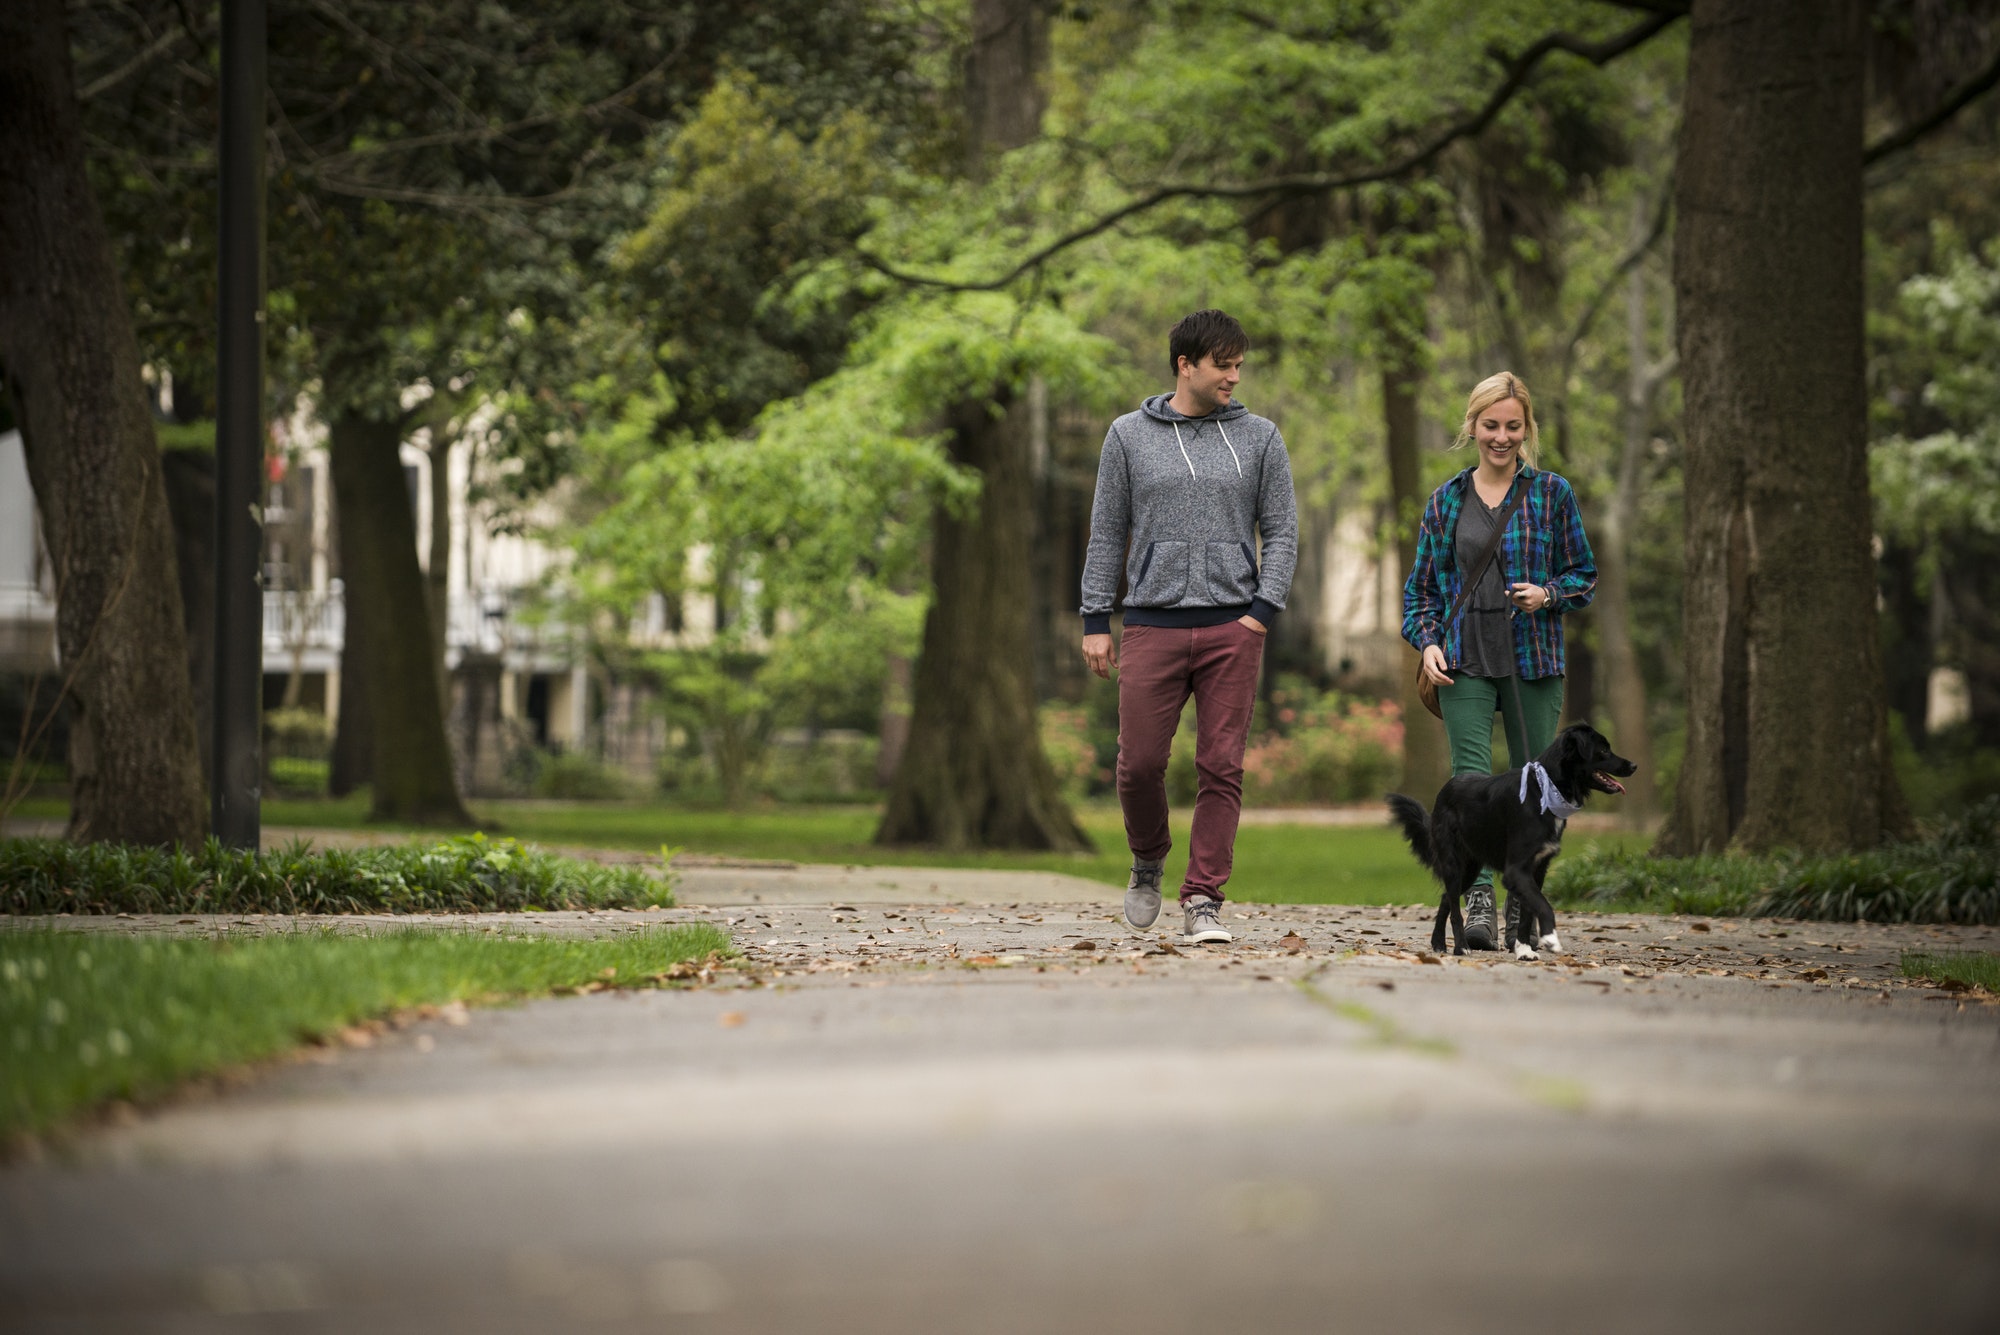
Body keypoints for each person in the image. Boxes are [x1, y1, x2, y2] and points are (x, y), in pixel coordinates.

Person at [1080, 309, 1298, 944]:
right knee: (1138, 765)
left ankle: (1203, 897)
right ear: (1186, 364)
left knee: (1221, 765)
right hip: (1153, 622)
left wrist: (1262, 612)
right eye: (1223, 364)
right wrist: (1098, 617)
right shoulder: (1127, 435)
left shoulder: (1260, 437)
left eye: (1238, 364)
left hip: (1235, 626)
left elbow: (1282, 530)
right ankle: (1148, 857)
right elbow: (1106, 531)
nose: (1235, 375)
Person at [1402, 371, 1596, 950]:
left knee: (1537, 788)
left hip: (1533, 660)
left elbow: (1583, 575)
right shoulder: (1447, 501)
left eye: (1514, 426)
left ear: (1527, 429)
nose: (1502, 437)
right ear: (1472, 426)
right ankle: (1479, 901)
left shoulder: (1551, 494)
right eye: (1491, 425)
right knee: (1471, 784)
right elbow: (1421, 594)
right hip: (1463, 661)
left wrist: (1548, 595)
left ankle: (1524, 909)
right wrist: (1429, 642)